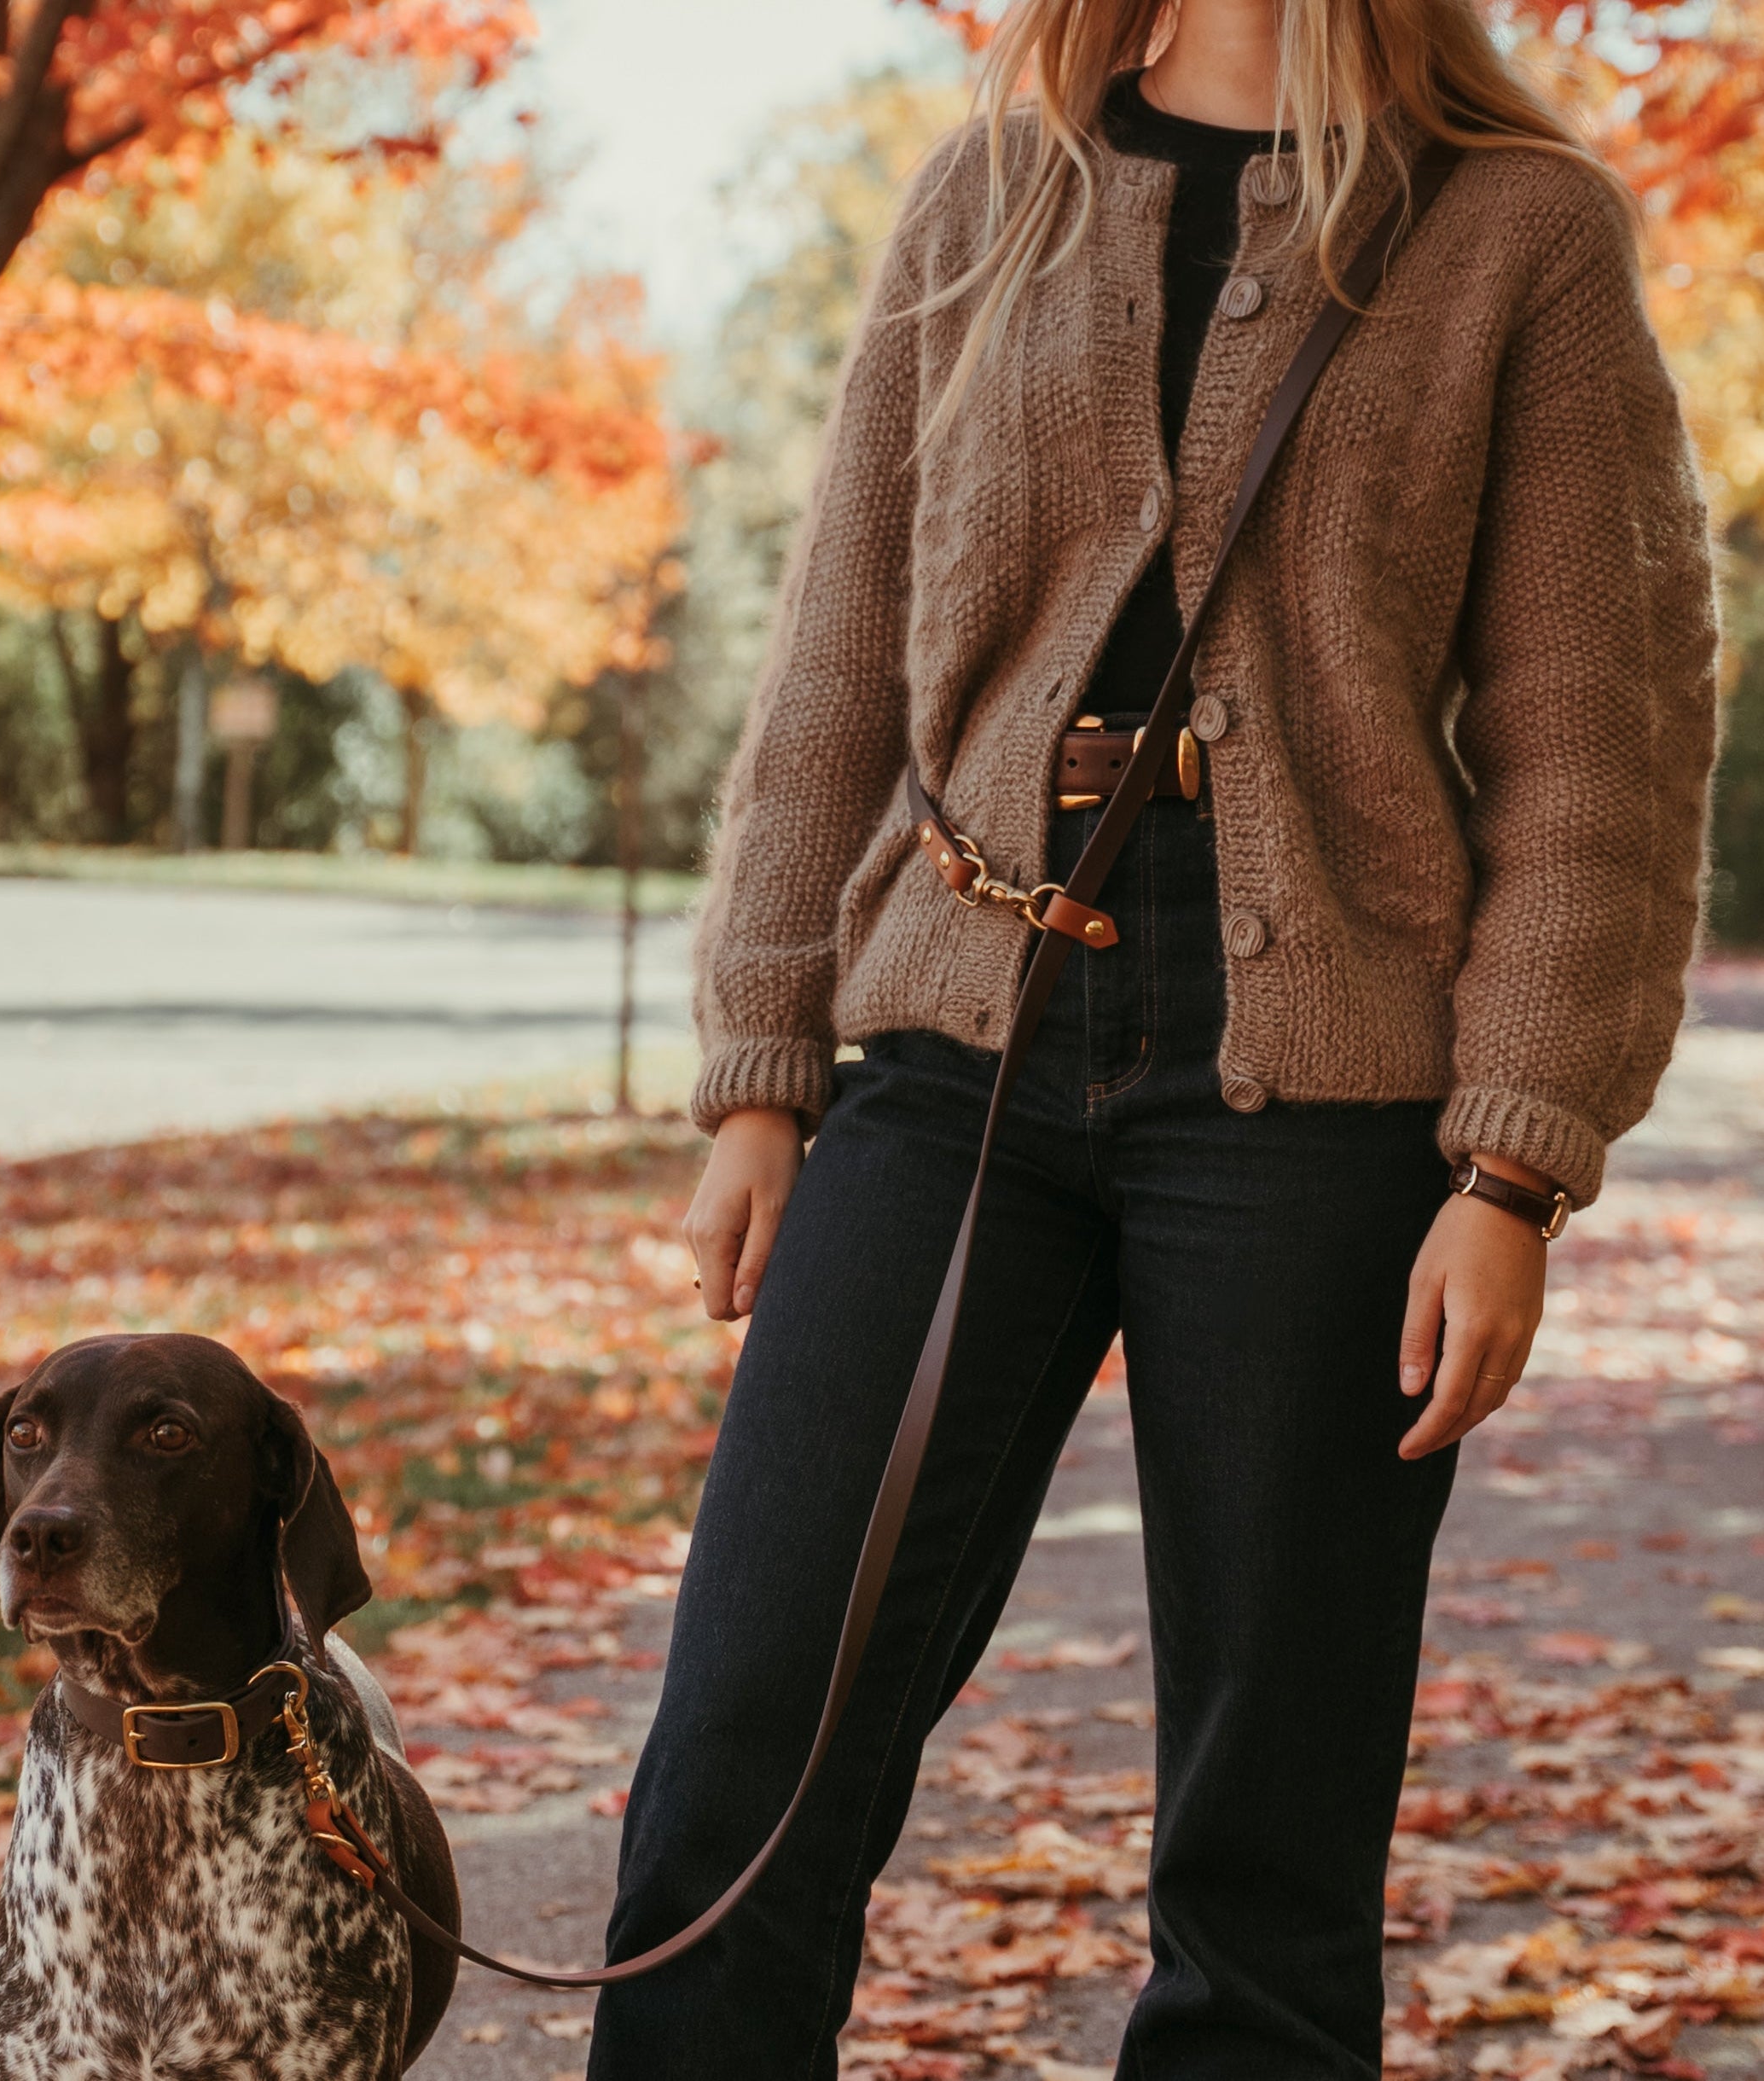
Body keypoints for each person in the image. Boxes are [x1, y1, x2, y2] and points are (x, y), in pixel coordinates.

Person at [588, 0, 1719, 2069]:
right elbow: (834, 646)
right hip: (957, 1032)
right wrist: (759, 1066)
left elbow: (1599, 738)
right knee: (743, 1747)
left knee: (1265, 1839)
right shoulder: (990, 186)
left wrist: (1512, 1157)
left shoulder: (1517, 228)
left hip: (1322, 1081)